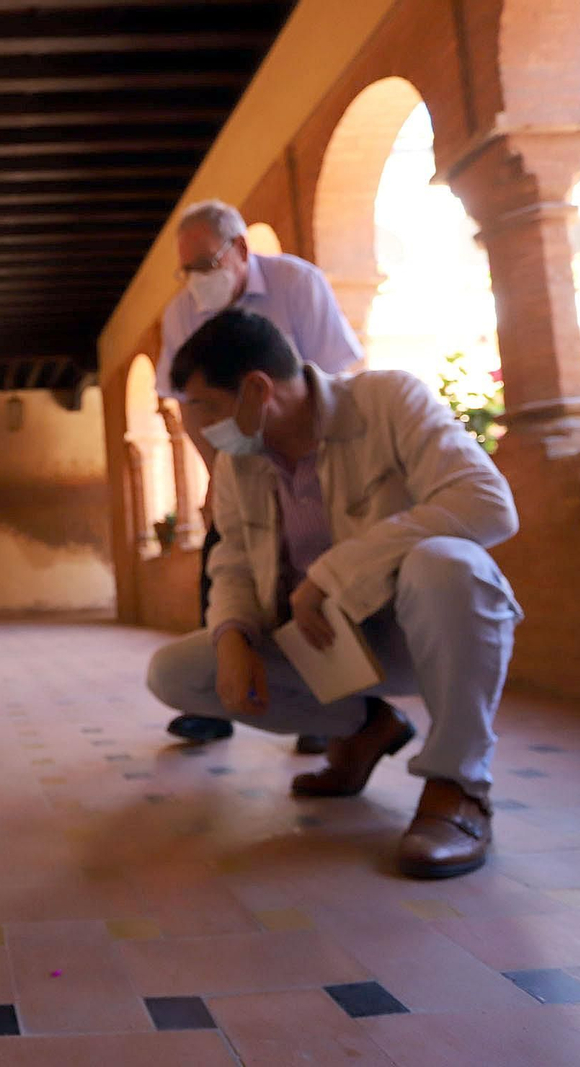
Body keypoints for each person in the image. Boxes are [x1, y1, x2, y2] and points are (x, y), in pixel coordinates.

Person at [145, 309, 522, 879]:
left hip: (418, 634)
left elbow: (487, 504)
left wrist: (332, 575)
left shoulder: (388, 401)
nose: (204, 428)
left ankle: (459, 786)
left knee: (448, 564)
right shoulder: (238, 463)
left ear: (257, 390)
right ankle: (365, 727)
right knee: (178, 672)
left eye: (209, 408)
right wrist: (232, 635)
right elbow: (233, 562)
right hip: (321, 647)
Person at [157, 200, 363, 752]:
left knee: (314, 571)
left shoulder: (298, 284)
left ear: (241, 249)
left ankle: (332, 709)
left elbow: (335, 377)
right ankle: (216, 702)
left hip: (309, 455)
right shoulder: (182, 313)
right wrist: (216, 474)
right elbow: (189, 406)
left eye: (205, 264)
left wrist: (317, 464)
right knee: (224, 563)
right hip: (239, 464)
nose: (196, 280)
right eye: (186, 270)